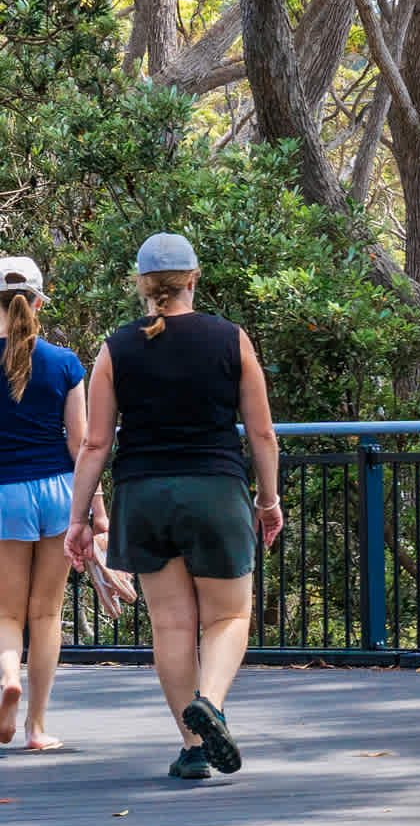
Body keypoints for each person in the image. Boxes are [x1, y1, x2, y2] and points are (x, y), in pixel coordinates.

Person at [66, 236, 284, 780]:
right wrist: (268, 499)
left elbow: (96, 443)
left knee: (170, 625)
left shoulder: (116, 348)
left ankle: (193, 748)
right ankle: (210, 701)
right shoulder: (230, 339)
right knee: (228, 616)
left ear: (141, 284)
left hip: (143, 495)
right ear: (194, 278)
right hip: (215, 490)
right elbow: (262, 432)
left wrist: (77, 520)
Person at [0, 258, 92, 751]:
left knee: (6, 614)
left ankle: (6, 678)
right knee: (46, 614)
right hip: (59, 490)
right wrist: (96, 506)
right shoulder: (65, 363)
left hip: (4, 494)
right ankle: (36, 728)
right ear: (38, 302)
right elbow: (81, 443)